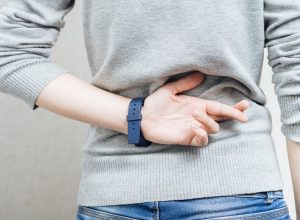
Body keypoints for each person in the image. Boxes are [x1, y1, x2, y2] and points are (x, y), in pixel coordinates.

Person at [0, 0, 299, 219]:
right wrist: (141, 116)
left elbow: (7, 50)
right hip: (238, 189)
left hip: (114, 193)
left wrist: (134, 115)